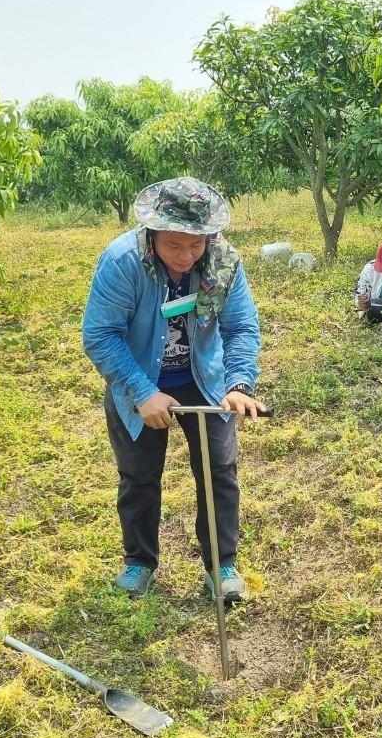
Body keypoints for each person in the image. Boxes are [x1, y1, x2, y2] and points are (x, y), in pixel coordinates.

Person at [82, 177, 265, 603]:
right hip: (138, 382)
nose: (186, 257)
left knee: (218, 473)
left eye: (196, 245)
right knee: (139, 476)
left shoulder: (223, 261)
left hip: (204, 382)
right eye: (174, 246)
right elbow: (101, 335)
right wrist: (144, 393)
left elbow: (241, 327)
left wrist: (238, 384)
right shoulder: (122, 261)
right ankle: (139, 562)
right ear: (152, 235)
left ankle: (221, 566)